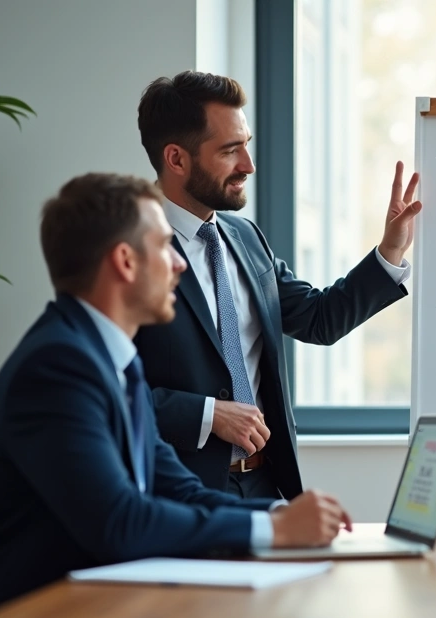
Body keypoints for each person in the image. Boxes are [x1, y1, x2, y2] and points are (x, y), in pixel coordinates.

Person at [0, 173, 353, 618]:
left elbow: (179, 489)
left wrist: (279, 512)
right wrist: (275, 531)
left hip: (78, 611)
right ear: (125, 262)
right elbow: (120, 523)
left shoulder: (115, 362)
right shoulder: (57, 369)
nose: (180, 264)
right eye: (165, 245)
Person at [132, 71, 420, 499]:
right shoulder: (129, 252)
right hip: (180, 495)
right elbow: (108, 393)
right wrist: (208, 414)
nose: (248, 164)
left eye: (245, 144)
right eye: (231, 151)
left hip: (267, 485)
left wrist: (390, 251)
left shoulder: (246, 238)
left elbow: (320, 319)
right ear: (176, 159)